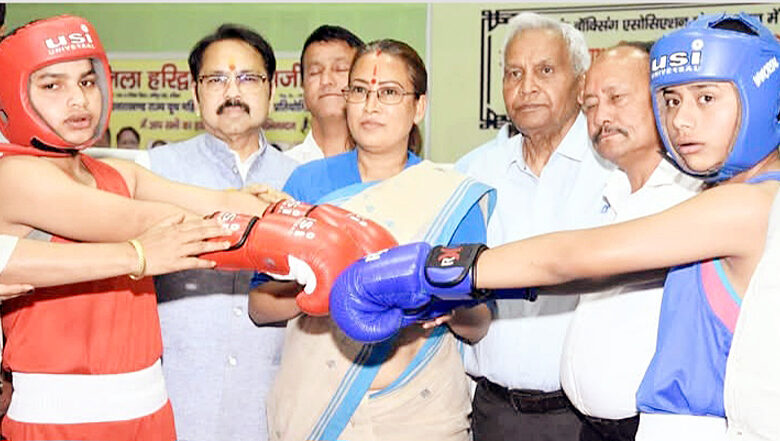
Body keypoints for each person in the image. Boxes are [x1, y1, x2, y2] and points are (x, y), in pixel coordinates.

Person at [330, 12, 780, 441]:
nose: (681, 120)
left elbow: (571, 259)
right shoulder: (712, 198)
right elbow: (587, 276)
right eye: (672, 100)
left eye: (707, 98)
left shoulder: (747, 205)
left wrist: (431, 270)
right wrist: (455, 288)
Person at [0, 15, 373, 441]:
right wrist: (284, 235)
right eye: (52, 85)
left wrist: (298, 216)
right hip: (62, 418)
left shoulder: (117, 172)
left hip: (149, 407)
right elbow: (138, 220)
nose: (78, 99)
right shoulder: (16, 175)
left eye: (87, 81)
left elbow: (218, 200)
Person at [252, 39, 494, 441]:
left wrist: (444, 305)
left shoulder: (450, 197)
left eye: (389, 92)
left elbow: (478, 325)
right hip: (315, 408)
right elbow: (260, 306)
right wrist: (326, 290)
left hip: (422, 414)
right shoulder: (306, 184)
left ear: (419, 107)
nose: (371, 105)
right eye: (360, 90)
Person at [454, 12, 612, 441]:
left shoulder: (613, 170)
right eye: (514, 73)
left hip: (585, 421)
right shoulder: (474, 173)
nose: (527, 87)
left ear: (580, 83)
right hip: (493, 412)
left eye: (545, 71)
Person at [143, 23, 298, 441]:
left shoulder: (300, 182)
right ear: (195, 94)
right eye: (216, 80)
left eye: (248, 78)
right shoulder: (154, 174)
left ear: (272, 91)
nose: (232, 92)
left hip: (267, 408)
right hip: (173, 401)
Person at [561, 42, 701, 441]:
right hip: (590, 427)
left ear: (664, 101)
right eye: (590, 105)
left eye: (616, 98)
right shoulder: (611, 192)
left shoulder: (695, 197)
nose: (600, 116)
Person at [285, 25, 363, 163]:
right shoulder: (285, 168)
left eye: (340, 69)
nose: (326, 81)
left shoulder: (388, 166)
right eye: (315, 72)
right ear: (302, 85)